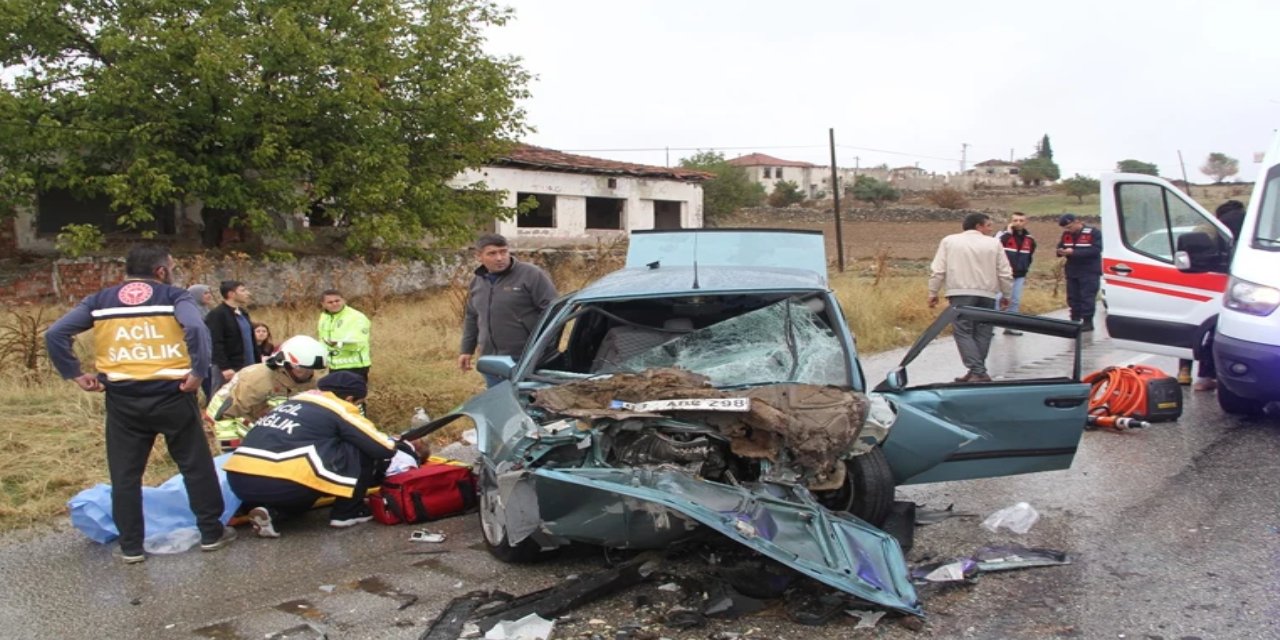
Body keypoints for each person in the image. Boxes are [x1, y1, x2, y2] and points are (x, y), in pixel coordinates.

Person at [44, 244, 235, 564]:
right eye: (172, 266)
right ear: (161, 271)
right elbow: (196, 328)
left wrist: (74, 373)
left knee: (125, 475)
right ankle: (211, 533)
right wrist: (199, 373)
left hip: (122, 400)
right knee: (195, 466)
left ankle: (131, 546)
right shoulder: (174, 297)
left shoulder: (100, 300)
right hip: (172, 393)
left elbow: (55, 334)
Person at [223, 371, 411, 538]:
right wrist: (394, 440)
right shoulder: (338, 408)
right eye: (359, 403)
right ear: (350, 398)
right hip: (282, 483)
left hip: (239, 481)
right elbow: (382, 448)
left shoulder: (295, 401)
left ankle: (270, 513)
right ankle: (347, 513)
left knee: (303, 487)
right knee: (358, 447)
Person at [458, 233, 558, 387]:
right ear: (479, 256)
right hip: (491, 360)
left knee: (528, 405)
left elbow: (554, 311)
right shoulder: (477, 282)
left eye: (503, 251)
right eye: (492, 253)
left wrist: (543, 348)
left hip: (526, 359)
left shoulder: (531, 274)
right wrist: (466, 350)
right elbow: (472, 316)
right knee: (499, 404)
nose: (500, 258)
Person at [927, 213, 1014, 383]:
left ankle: (977, 370)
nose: (991, 229)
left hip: (960, 293)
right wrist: (1006, 294)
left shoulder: (949, 241)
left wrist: (933, 292)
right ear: (978, 226)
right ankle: (977, 370)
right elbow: (1005, 272)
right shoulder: (994, 243)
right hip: (987, 294)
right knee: (983, 331)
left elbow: (938, 270)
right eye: (988, 225)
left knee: (963, 331)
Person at [204, 335, 329, 449]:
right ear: (286, 363)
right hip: (228, 418)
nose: (307, 374)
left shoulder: (311, 381)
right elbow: (226, 414)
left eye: (311, 370)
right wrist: (231, 449)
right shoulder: (259, 379)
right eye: (301, 369)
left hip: (261, 419)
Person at [1181, 200, 1248, 390]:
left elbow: (1192, 250)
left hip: (1215, 280)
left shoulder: (1210, 226)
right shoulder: (1255, 221)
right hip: (1250, 285)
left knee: (1202, 327)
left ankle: (1191, 373)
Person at [205, 280, 258, 394]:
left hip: (248, 365)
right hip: (229, 367)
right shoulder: (217, 314)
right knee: (222, 398)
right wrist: (224, 367)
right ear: (231, 294)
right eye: (242, 290)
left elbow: (251, 339)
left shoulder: (243, 313)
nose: (247, 293)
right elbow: (215, 342)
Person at [1055, 213, 1103, 332]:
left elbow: (1096, 250)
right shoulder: (1066, 235)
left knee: (1087, 297)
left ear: (1077, 221)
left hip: (1089, 271)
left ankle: (1088, 322)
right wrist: (1060, 251)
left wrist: (1074, 253)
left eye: (1070, 227)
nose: (1068, 230)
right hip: (1072, 270)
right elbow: (1060, 247)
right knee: (1073, 297)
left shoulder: (1093, 233)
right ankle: (1074, 320)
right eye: (1066, 228)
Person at [995, 212, 1037, 335]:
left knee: (1015, 300)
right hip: (1002, 274)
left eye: (1021, 220)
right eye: (1015, 220)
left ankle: (1010, 326)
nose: (1018, 223)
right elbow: (994, 247)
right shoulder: (1001, 235)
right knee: (996, 300)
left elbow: (1030, 255)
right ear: (1010, 221)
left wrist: (1025, 269)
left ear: (1026, 222)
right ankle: (989, 327)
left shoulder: (1029, 239)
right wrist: (1008, 234)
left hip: (1019, 274)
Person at [317, 289, 372, 379]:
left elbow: (360, 342)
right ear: (323, 304)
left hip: (355, 366)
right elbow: (322, 339)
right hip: (334, 366)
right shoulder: (324, 317)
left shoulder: (356, 317)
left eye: (337, 301)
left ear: (343, 300)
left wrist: (338, 344)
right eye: (330, 302)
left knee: (351, 393)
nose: (334, 304)